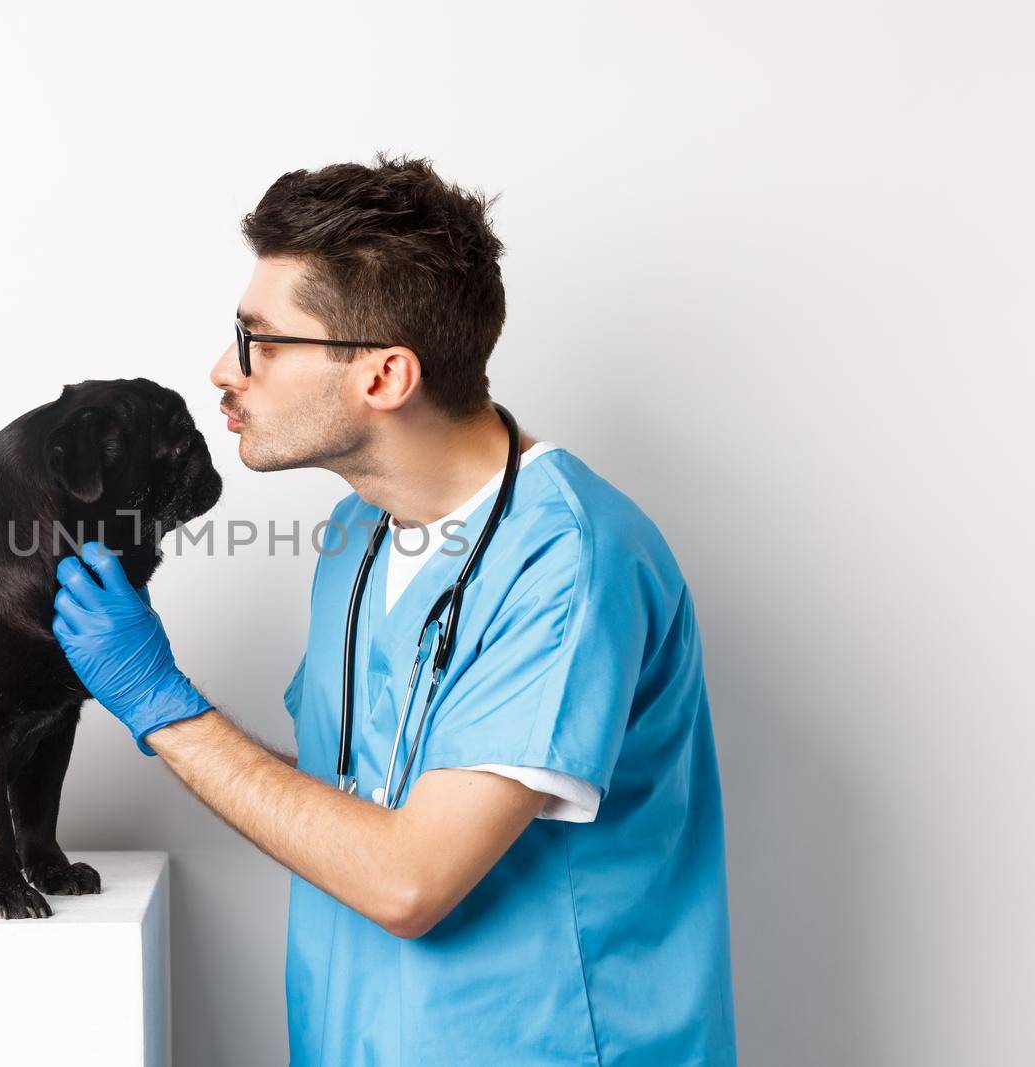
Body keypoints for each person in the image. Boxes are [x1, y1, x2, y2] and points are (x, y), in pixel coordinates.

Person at [50, 152, 737, 1066]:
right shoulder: (359, 536)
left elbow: (410, 878)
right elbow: (364, 792)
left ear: (384, 377)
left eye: (261, 339)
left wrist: (162, 705)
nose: (226, 368)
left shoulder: (570, 559)